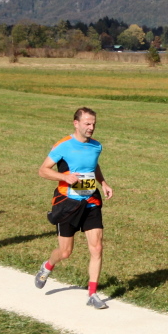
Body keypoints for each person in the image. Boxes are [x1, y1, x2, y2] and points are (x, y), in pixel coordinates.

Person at [35, 107, 114, 309]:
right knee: (65, 252)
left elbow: (94, 166)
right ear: (76, 123)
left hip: (91, 202)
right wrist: (65, 177)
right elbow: (43, 170)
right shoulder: (63, 146)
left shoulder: (96, 146)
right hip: (67, 204)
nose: (91, 127)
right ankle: (47, 266)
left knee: (97, 247)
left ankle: (92, 294)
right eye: (87, 123)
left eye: (93, 124)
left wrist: (103, 183)